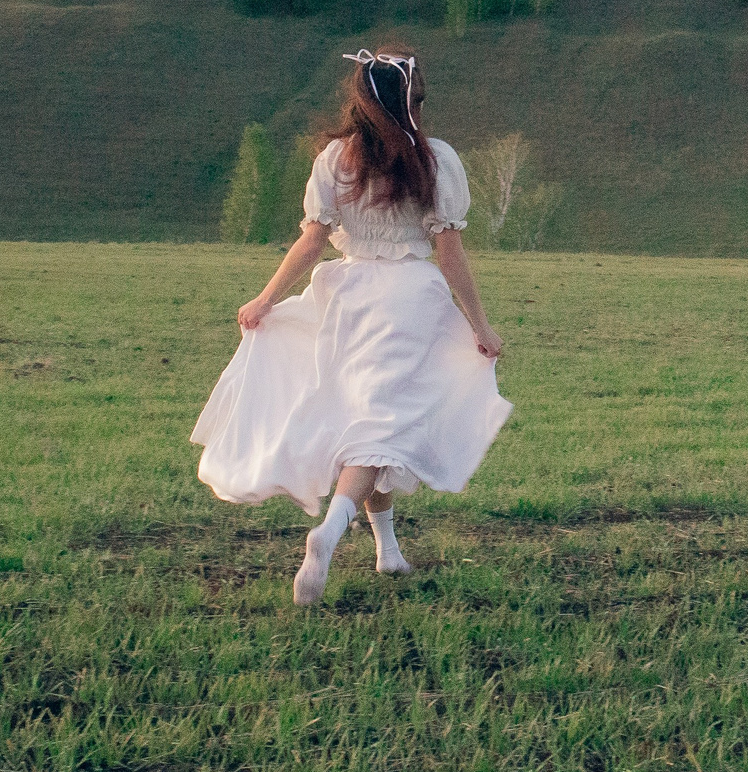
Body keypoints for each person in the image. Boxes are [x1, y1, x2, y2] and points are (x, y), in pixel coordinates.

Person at [190, 47, 510, 606]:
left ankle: (388, 551)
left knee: (370, 421)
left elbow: (312, 240)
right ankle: (333, 532)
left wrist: (266, 299)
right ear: (411, 102)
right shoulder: (435, 160)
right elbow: (450, 252)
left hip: (346, 296)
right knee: (378, 429)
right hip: (410, 300)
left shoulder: (336, 160)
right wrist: (479, 323)